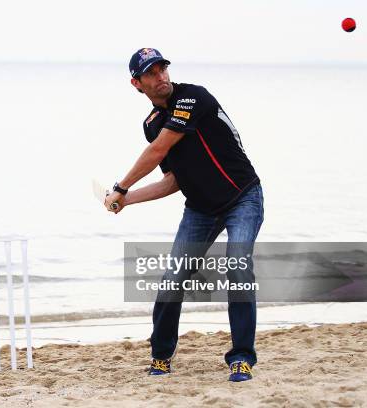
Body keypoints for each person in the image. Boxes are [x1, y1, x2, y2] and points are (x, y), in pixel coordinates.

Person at [104, 49, 264, 382]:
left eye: (163, 68)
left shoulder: (193, 98)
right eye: (151, 73)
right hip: (201, 209)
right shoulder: (152, 124)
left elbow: (158, 150)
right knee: (172, 281)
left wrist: (120, 186)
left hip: (242, 197)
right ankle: (161, 356)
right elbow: (172, 180)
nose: (160, 76)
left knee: (237, 268)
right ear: (137, 83)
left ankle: (242, 358)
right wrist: (127, 200)